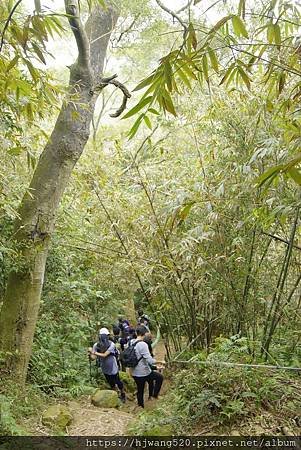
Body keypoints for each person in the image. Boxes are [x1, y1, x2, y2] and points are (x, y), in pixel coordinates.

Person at [89, 327, 126, 402]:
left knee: (117, 381)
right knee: (110, 382)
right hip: (104, 367)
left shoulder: (111, 344)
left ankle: (122, 393)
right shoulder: (96, 345)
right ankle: (115, 394)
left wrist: (93, 352)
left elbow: (105, 355)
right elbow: (93, 357)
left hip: (113, 366)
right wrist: (90, 355)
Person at [131, 325, 163, 408]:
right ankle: (154, 396)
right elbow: (150, 360)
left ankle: (140, 406)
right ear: (144, 334)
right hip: (144, 372)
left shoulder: (131, 342)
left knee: (140, 390)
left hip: (135, 372)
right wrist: (160, 362)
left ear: (136, 333)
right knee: (159, 377)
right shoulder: (143, 345)